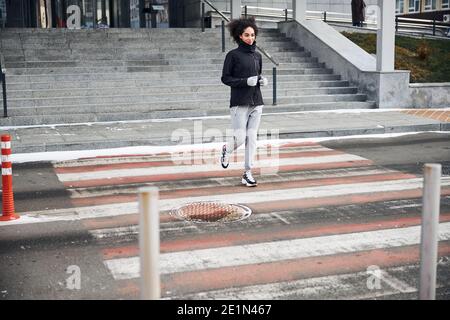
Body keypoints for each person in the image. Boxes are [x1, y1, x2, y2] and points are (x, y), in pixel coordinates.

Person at [220, 17, 269, 187]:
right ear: (240, 36)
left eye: (253, 35)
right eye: (247, 35)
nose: (250, 38)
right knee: (240, 138)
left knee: (252, 138)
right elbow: (225, 78)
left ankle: (247, 173)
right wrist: (245, 81)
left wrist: (261, 80)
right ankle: (227, 149)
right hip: (239, 102)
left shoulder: (257, 56)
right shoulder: (232, 55)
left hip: (257, 102)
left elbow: (257, 75)